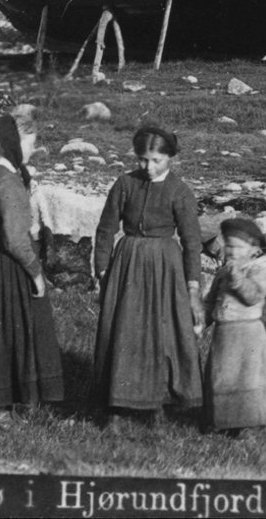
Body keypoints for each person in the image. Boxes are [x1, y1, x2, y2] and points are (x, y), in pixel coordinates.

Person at [89, 124, 203, 421]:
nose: (149, 167)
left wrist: (192, 287)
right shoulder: (125, 184)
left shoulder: (180, 192)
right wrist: (102, 271)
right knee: (123, 329)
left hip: (165, 268)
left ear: (171, 158)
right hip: (127, 265)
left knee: (162, 333)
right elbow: (105, 229)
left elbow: (192, 243)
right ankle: (116, 403)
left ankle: (158, 403)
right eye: (143, 160)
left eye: (156, 161)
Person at [0, 107, 65, 421]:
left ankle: (11, 402)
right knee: (10, 330)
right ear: (14, 142)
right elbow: (13, 238)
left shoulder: (0, 172)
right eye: (30, 143)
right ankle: (4, 409)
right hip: (8, 264)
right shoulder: (7, 182)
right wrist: (35, 273)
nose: (33, 150)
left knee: (8, 329)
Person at [201, 217, 266, 437]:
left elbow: (252, 296)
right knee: (222, 376)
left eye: (238, 247)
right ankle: (221, 418)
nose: (232, 252)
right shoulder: (221, 274)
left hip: (248, 336)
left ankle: (248, 421)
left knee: (247, 378)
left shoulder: (256, 273)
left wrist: (236, 277)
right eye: (228, 246)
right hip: (224, 335)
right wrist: (201, 323)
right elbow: (211, 301)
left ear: (254, 250)